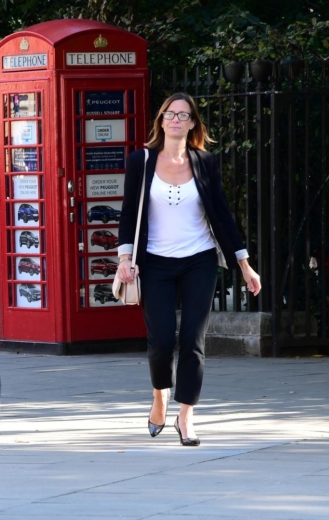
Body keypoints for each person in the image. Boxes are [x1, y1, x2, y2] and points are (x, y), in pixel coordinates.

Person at [116, 92, 262, 446]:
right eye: (170, 114)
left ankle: (186, 416)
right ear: (161, 121)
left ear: (193, 123)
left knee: (194, 341)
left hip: (199, 259)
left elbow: (223, 216)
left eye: (184, 115)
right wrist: (124, 259)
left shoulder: (204, 161)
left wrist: (245, 265)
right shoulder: (141, 160)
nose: (177, 120)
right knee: (162, 339)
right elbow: (128, 211)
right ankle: (159, 395)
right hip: (154, 262)